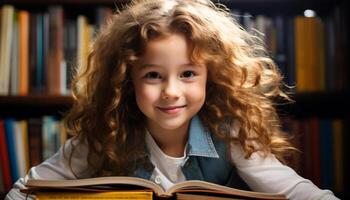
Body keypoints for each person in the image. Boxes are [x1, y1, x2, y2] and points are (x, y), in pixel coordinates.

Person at [6, 0, 339, 199]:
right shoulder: (107, 133)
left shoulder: (231, 132)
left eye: (188, 74)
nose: (171, 91)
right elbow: (25, 189)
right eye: (153, 75)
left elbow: (294, 191)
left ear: (212, 77)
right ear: (127, 80)